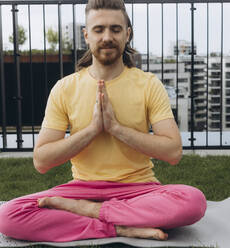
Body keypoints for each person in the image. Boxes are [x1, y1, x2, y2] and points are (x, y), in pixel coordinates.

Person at [0, 0, 206, 242]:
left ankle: (92, 215)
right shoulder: (64, 88)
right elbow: (42, 161)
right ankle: (117, 228)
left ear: (127, 34)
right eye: (99, 29)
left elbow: (173, 152)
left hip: (138, 189)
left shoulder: (148, 84)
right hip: (82, 189)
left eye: (115, 29)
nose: (107, 36)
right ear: (86, 35)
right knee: (9, 215)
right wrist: (92, 130)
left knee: (193, 201)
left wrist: (117, 129)